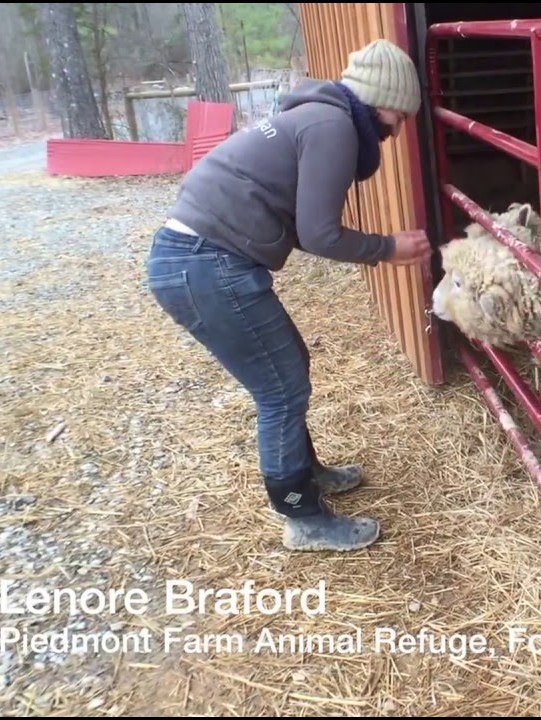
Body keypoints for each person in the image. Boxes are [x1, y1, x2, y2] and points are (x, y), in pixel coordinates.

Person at [143, 39, 432, 553]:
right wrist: (388, 248)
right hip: (204, 261)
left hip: (194, 257)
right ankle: (302, 517)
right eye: (401, 115)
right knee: (280, 390)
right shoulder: (334, 127)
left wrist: (377, 247)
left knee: (288, 368)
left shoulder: (318, 118)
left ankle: (308, 473)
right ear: (383, 100)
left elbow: (300, 223)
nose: (399, 129)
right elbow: (319, 234)